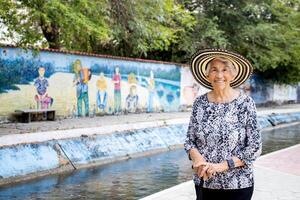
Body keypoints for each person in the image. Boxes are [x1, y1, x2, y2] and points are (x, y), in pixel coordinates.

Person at [184, 49, 262, 200]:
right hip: (205, 182)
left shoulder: (245, 103)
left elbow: (255, 147)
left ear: (233, 75)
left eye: (224, 70)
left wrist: (220, 166)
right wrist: (198, 160)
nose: (219, 75)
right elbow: (189, 141)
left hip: (237, 185)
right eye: (214, 70)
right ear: (208, 75)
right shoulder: (199, 103)